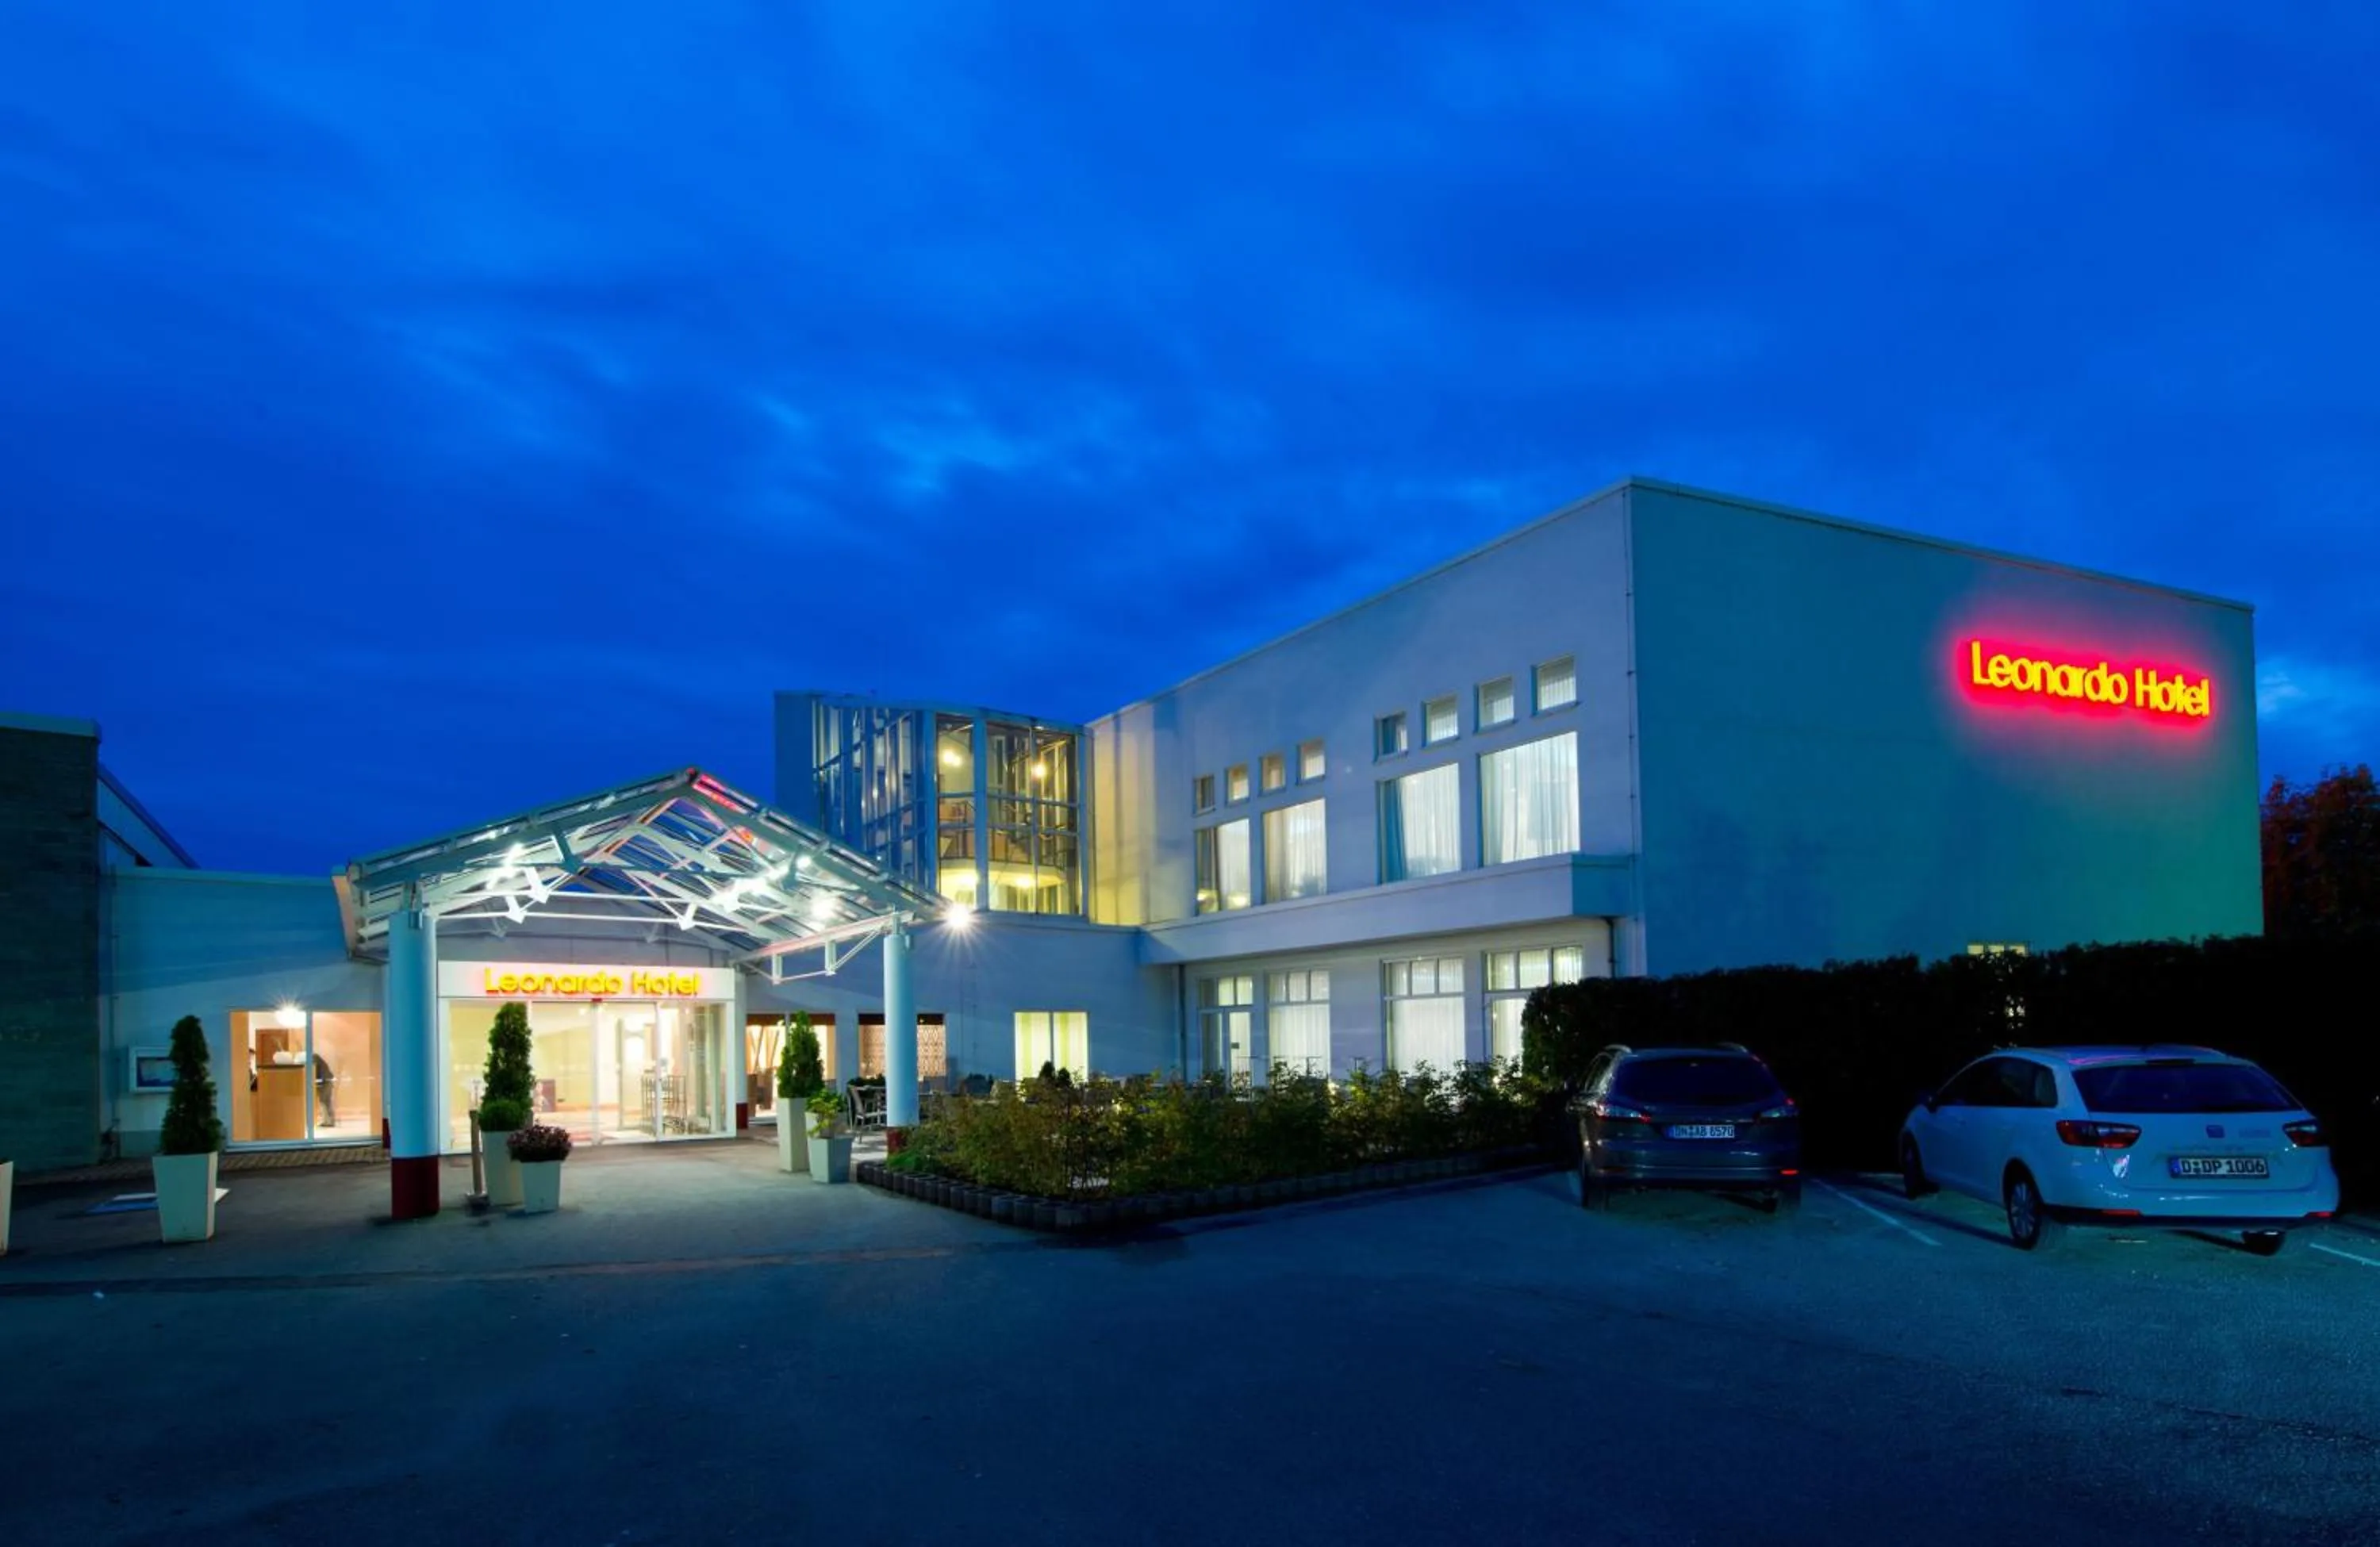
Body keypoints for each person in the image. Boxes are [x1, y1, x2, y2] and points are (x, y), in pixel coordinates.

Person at [313, 1052, 336, 1128]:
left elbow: (315, 1070)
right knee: (326, 1101)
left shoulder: (314, 1058)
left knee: (324, 1101)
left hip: (325, 1082)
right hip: (327, 1081)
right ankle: (327, 1121)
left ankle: (328, 1121)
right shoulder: (317, 1058)